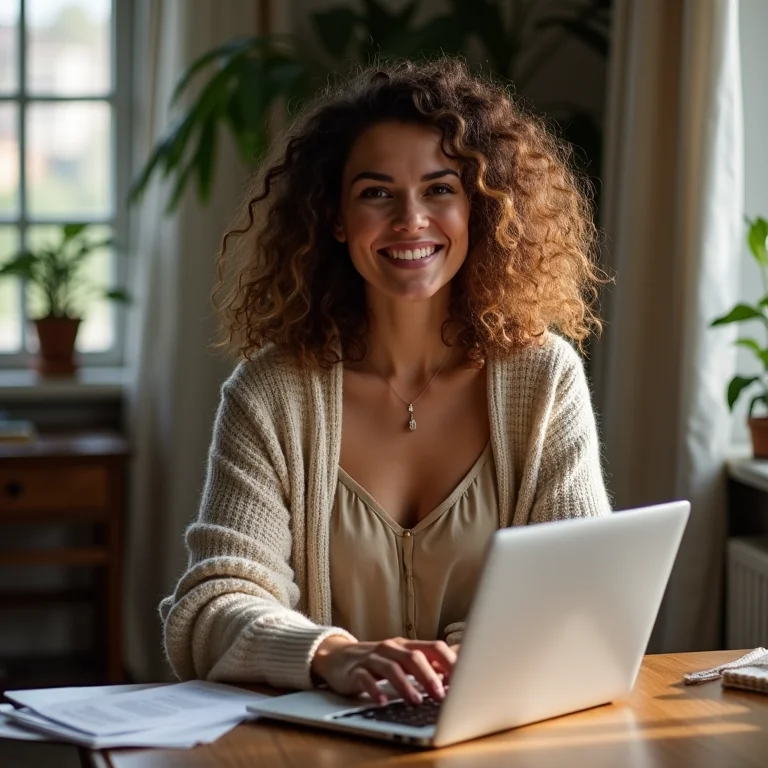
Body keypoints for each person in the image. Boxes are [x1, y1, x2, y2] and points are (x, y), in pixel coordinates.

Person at [160, 58, 611, 708]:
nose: (410, 220)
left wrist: (452, 662)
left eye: (439, 189)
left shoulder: (543, 378)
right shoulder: (269, 393)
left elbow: (579, 584)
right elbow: (214, 601)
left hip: (494, 734)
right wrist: (332, 656)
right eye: (377, 193)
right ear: (335, 217)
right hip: (319, 748)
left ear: (477, 207)